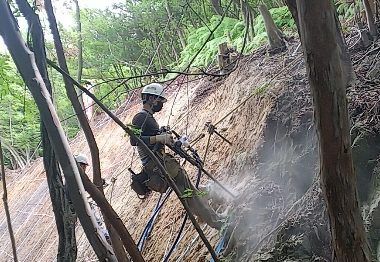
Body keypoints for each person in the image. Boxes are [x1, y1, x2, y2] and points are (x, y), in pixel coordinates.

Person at [130, 83, 224, 229]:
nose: (160, 103)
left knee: (190, 192)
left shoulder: (148, 117)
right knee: (190, 195)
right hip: (157, 165)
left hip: (161, 162)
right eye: (159, 100)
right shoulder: (140, 117)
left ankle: (214, 216)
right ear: (150, 98)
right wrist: (158, 139)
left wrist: (162, 136)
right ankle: (218, 223)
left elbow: (151, 137)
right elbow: (133, 140)